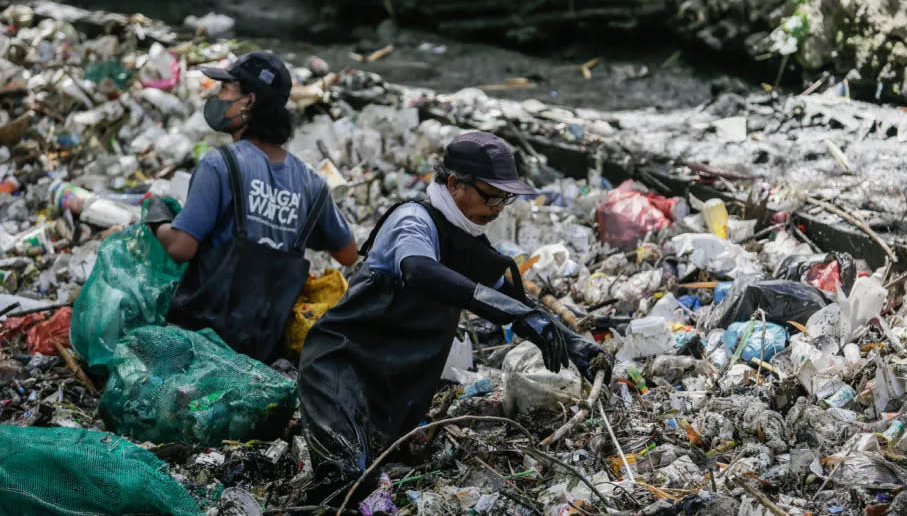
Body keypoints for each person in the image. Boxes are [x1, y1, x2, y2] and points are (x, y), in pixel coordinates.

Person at [298, 132, 612, 502]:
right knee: (345, 489)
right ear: (454, 183)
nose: (497, 208)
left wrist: (574, 343)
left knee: (383, 486)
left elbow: (513, 298)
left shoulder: (467, 239)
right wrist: (501, 307)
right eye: (490, 195)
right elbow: (419, 269)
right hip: (341, 370)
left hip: (393, 391)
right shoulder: (413, 219)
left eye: (505, 198)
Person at [146, 51, 358, 364]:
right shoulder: (311, 183)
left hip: (202, 341)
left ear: (248, 101)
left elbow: (181, 248)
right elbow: (348, 254)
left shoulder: (221, 164)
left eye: (226, 89)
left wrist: (158, 219)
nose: (217, 97)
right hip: (262, 351)